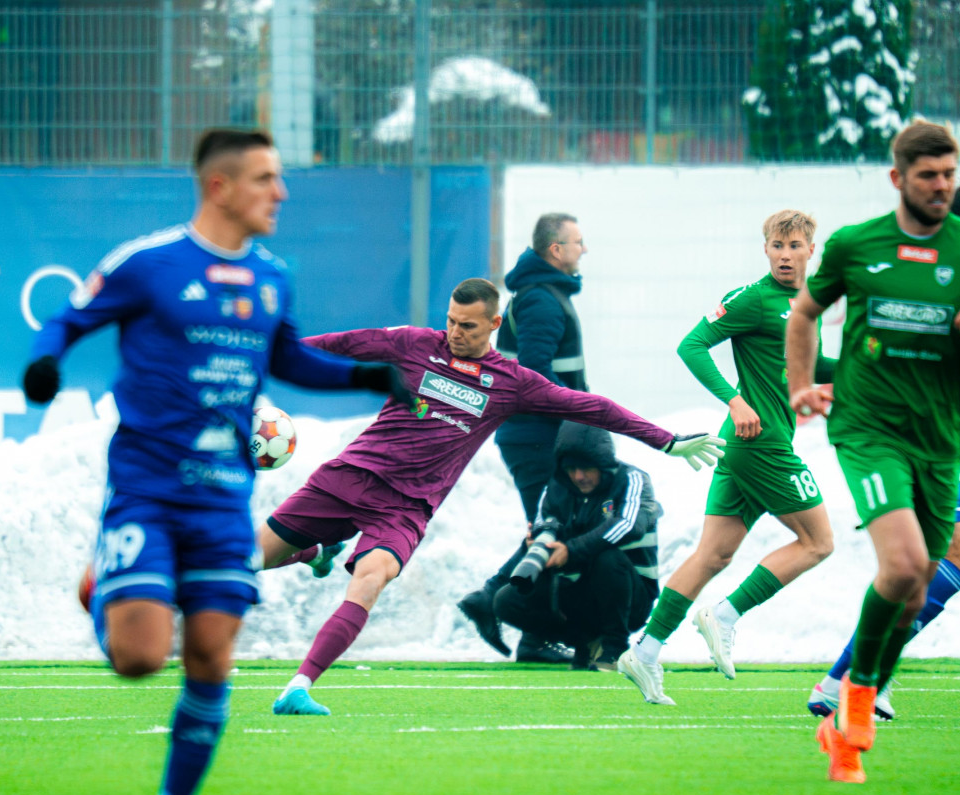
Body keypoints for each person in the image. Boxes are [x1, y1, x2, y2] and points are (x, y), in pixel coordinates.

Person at [20, 129, 405, 795]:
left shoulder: (271, 277)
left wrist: (364, 377)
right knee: (139, 657)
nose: (280, 193)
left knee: (209, 656)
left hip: (225, 498)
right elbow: (67, 318)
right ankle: (102, 585)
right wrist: (45, 363)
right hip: (148, 488)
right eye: (265, 179)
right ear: (220, 187)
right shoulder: (150, 263)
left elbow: (288, 358)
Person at [258, 276, 725, 716]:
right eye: (450, 321)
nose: (455, 333)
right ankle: (317, 552)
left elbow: (592, 407)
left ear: (495, 324)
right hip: (349, 478)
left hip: (405, 508)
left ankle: (299, 687)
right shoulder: (413, 343)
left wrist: (666, 440)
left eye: (468, 326)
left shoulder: (511, 383)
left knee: (370, 578)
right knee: (245, 560)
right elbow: (336, 344)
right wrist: (261, 356)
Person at [786, 122, 960, 784]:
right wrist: (801, 384)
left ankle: (851, 694)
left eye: (949, 174)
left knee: (917, 588)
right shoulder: (857, 244)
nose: (940, 186)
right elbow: (803, 314)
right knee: (906, 562)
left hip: (939, 440)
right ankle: (854, 706)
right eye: (928, 175)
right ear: (898, 178)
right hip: (869, 431)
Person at [807, 183, 960, 721]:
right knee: (948, 560)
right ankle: (854, 678)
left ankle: (852, 678)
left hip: (938, 438)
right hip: (899, 439)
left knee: (935, 565)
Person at [617, 210, 835, 706]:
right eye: (777, 246)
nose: (785, 255)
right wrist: (735, 401)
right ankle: (726, 614)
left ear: (811, 250)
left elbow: (810, 364)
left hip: (750, 443)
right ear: (765, 249)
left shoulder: (807, 303)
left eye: (794, 246)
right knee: (818, 542)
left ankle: (645, 652)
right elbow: (691, 345)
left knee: (713, 555)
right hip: (759, 441)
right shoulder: (752, 298)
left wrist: (865, 371)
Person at [459, 212, 592, 664]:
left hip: (539, 432)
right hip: (537, 435)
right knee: (553, 528)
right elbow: (535, 374)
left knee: (554, 527)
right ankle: (526, 630)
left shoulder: (544, 294)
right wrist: (578, 417)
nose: (584, 249)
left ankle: (498, 605)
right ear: (556, 250)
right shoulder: (541, 300)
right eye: (577, 242)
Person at [491, 422, 660, 671]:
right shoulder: (557, 487)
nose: (579, 476)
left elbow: (628, 524)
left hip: (632, 596)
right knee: (507, 601)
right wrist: (539, 544)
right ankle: (584, 643)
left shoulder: (631, 479)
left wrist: (570, 551)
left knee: (607, 558)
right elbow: (543, 524)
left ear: (603, 463)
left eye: (586, 467)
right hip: (581, 592)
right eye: (572, 468)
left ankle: (614, 649)